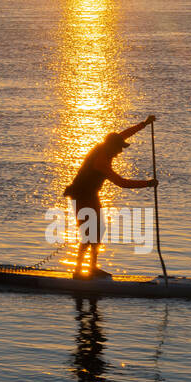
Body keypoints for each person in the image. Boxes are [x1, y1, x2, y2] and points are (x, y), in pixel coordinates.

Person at [63, 115, 158, 278]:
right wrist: (147, 184)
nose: (120, 152)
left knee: (99, 230)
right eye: (119, 148)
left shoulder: (106, 146)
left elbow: (125, 134)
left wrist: (144, 124)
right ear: (111, 147)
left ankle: (92, 268)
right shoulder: (101, 161)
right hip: (81, 195)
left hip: (91, 194)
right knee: (90, 233)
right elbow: (122, 183)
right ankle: (79, 271)